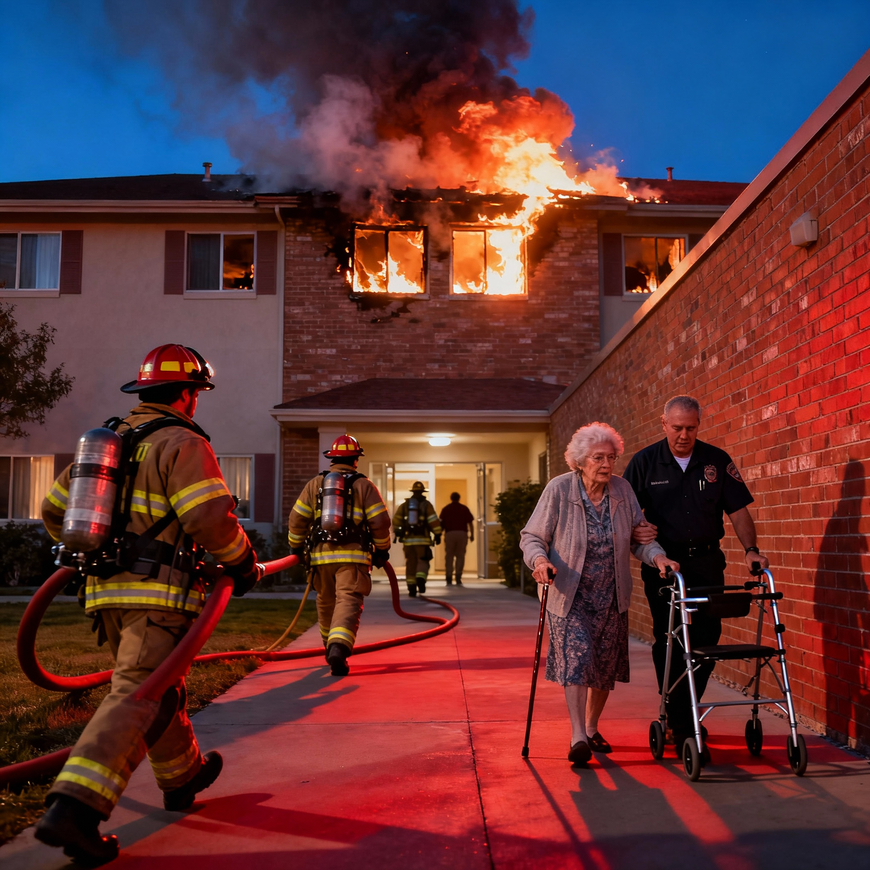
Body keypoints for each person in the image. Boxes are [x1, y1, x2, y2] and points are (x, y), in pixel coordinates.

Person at [35, 344, 261, 866]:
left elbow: (53, 510)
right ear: (187, 394)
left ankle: (182, 777)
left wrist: (97, 553)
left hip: (104, 595)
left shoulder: (110, 442)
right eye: (197, 393)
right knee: (140, 694)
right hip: (157, 595)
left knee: (159, 689)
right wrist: (242, 563)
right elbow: (207, 516)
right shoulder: (181, 441)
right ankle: (75, 808)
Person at [520, 423, 678, 767]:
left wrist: (659, 558)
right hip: (569, 594)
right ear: (579, 461)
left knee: (604, 667)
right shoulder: (560, 489)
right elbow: (532, 536)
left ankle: (591, 727)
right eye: (598, 458)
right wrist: (540, 561)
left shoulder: (622, 490)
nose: (607, 464)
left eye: (611, 457)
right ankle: (578, 736)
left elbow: (640, 539)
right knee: (578, 661)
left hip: (611, 595)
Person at [623, 395, 770, 761]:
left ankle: (685, 712)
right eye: (677, 428)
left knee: (707, 638)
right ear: (664, 424)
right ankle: (682, 720)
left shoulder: (716, 461)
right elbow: (623, 511)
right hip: (664, 565)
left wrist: (751, 550)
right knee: (668, 638)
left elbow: (738, 511)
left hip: (706, 563)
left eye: (691, 428)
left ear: (698, 425)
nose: (684, 435)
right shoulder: (644, 462)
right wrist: (636, 532)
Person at [287, 435, 391, 676]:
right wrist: (382, 550)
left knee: (326, 602)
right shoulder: (364, 485)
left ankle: (329, 647)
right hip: (352, 559)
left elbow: (297, 518)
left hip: (320, 559)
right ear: (356, 460)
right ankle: (339, 647)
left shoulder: (315, 484)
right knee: (348, 600)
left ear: (332, 459)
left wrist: (296, 547)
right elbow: (380, 522)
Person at [393, 481, 442, 596]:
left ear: (413, 492)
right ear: (422, 492)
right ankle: (420, 579)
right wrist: (437, 534)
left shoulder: (405, 505)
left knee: (411, 563)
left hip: (408, 541)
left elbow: (396, 520)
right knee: (422, 561)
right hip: (423, 541)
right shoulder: (427, 505)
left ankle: (411, 587)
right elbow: (433, 521)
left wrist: (399, 532)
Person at [439, 492, 475, 585]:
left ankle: (449, 576)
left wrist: (438, 534)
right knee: (460, 555)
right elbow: (470, 522)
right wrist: (472, 534)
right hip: (462, 533)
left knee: (449, 556)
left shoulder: (446, 509)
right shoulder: (464, 508)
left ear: (451, 498)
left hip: (450, 533)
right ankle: (458, 576)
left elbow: (441, 523)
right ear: (459, 498)